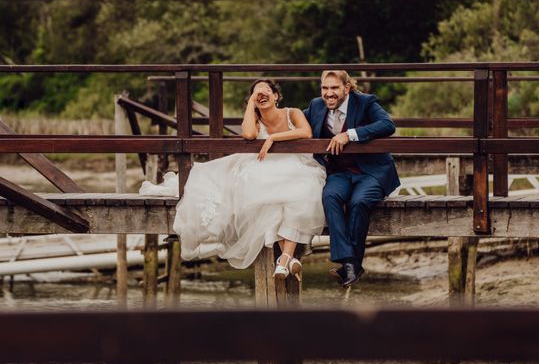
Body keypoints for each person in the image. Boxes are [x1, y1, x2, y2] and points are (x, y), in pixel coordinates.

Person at [142, 79, 326, 278]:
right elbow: (248, 134)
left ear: (276, 96)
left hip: (293, 165)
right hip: (264, 166)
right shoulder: (255, 119)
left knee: (300, 194)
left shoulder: (293, 113)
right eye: (257, 93)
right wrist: (250, 104)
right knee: (271, 203)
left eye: (266, 91)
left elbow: (306, 132)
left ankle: (283, 261)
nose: (261, 95)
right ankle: (288, 260)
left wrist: (273, 138)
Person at [304, 70, 400, 287]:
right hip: (339, 172)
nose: (329, 93)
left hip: (371, 172)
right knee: (329, 196)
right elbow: (294, 122)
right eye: (325, 88)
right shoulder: (316, 106)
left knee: (359, 202)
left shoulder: (365, 102)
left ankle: (351, 264)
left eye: (334, 88)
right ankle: (350, 263)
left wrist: (350, 135)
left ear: (346, 88)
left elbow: (387, 125)